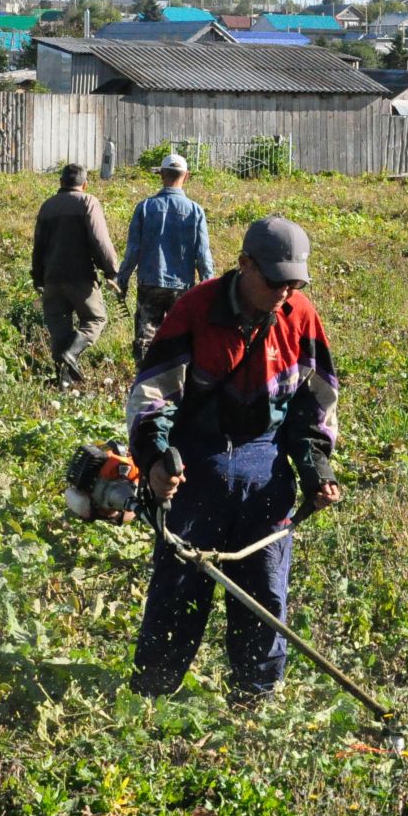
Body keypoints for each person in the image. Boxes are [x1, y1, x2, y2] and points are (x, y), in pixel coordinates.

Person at [125, 215, 343, 705]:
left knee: (265, 593)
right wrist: (159, 458)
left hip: (264, 469)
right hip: (196, 468)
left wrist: (315, 469)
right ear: (244, 265)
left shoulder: (301, 317)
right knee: (179, 589)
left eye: (294, 284)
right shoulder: (195, 310)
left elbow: (316, 404)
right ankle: (152, 697)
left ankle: (255, 700)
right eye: (275, 282)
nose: (285, 293)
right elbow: (153, 395)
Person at [114, 151, 214, 365]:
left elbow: (133, 250)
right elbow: (203, 254)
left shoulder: (145, 207)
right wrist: (208, 285)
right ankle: (178, 379)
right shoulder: (196, 211)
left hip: (150, 282)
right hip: (182, 286)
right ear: (186, 176)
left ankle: (144, 380)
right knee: (181, 336)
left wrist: (121, 280)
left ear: (161, 175)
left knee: (146, 338)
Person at [32, 163, 119, 386]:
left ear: (61, 182)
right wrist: (111, 271)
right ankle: (71, 354)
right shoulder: (88, 202)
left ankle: (63, 383)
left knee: (59, 331)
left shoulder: (47, 207)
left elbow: (38, 246)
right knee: (95, 318)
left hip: (52, 278)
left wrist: (38, 278)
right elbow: (100, 240)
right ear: (85, 184)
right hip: (80, 278)